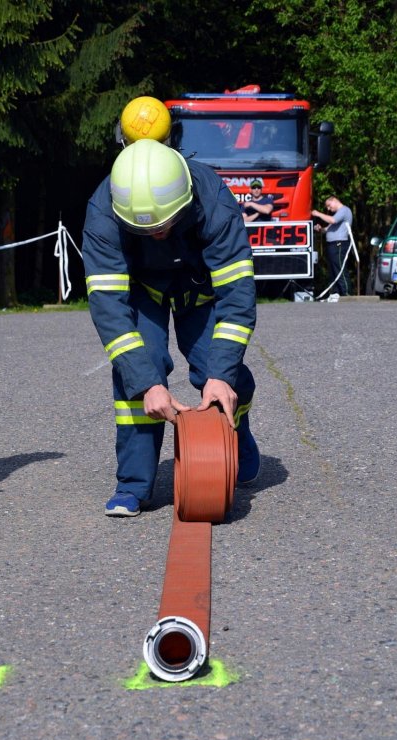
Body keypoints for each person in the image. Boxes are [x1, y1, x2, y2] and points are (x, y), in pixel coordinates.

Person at [82, 139, 260, 518]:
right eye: (145, 229)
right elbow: (109, 306)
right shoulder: (104, 209)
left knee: (220, 371)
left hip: (200, 289)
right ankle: (133, 485)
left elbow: (237, 292)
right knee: (137, 371)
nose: (157, 234)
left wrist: (220, 374)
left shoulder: (213, 199)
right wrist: (147, 383)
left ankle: (237, 434)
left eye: (164, 225)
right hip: (143, 292)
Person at [312, 195, 353, 298]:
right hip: (332, 245)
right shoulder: (337, 214)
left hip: (339, 244)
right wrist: (320, 229)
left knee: (339, 268)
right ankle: (336, 292)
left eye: (329, 206)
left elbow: (332, 220)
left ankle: (346, 293)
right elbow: (328, 229)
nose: (329, 209)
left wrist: (318, 214)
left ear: (334, 200)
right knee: (332, 269)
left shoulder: (344, 210)